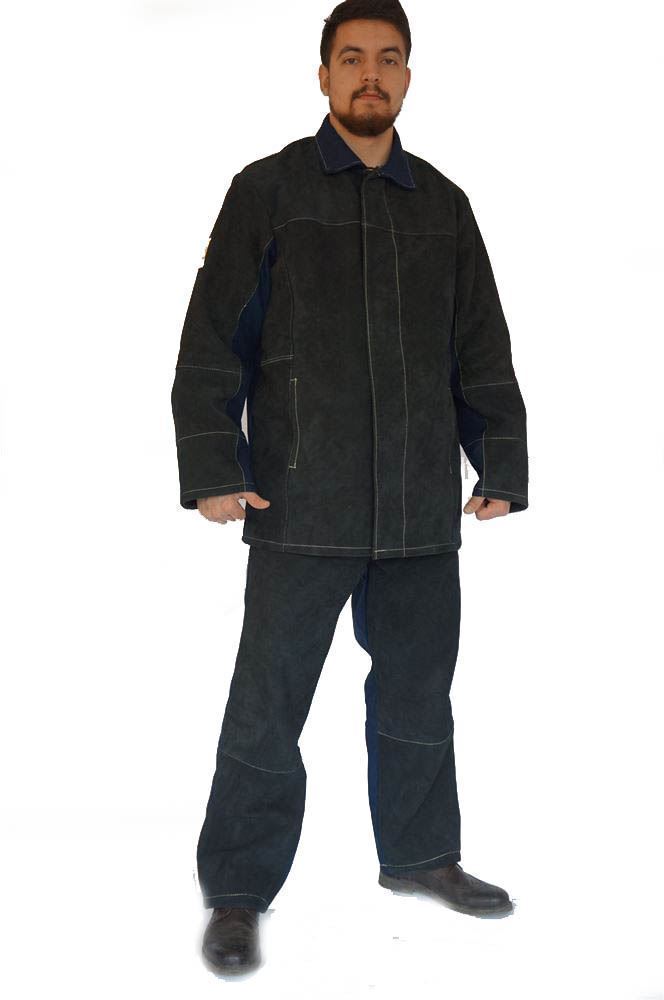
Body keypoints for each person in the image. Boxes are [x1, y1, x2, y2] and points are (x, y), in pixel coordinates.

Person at [171, 0, 529, 976]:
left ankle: (421, 857)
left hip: (417, 506)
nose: (372, 74)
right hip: (300, 500)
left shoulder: (443, 205)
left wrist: (499, 460)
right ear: (324, 74)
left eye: (389, 58)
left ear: (407, 75)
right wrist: (213, 466)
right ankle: (238, 891)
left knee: (418, 695)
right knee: (267, 706)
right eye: (353, 57)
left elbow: (479, 344)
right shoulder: (269, 191)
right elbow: (213, 339)